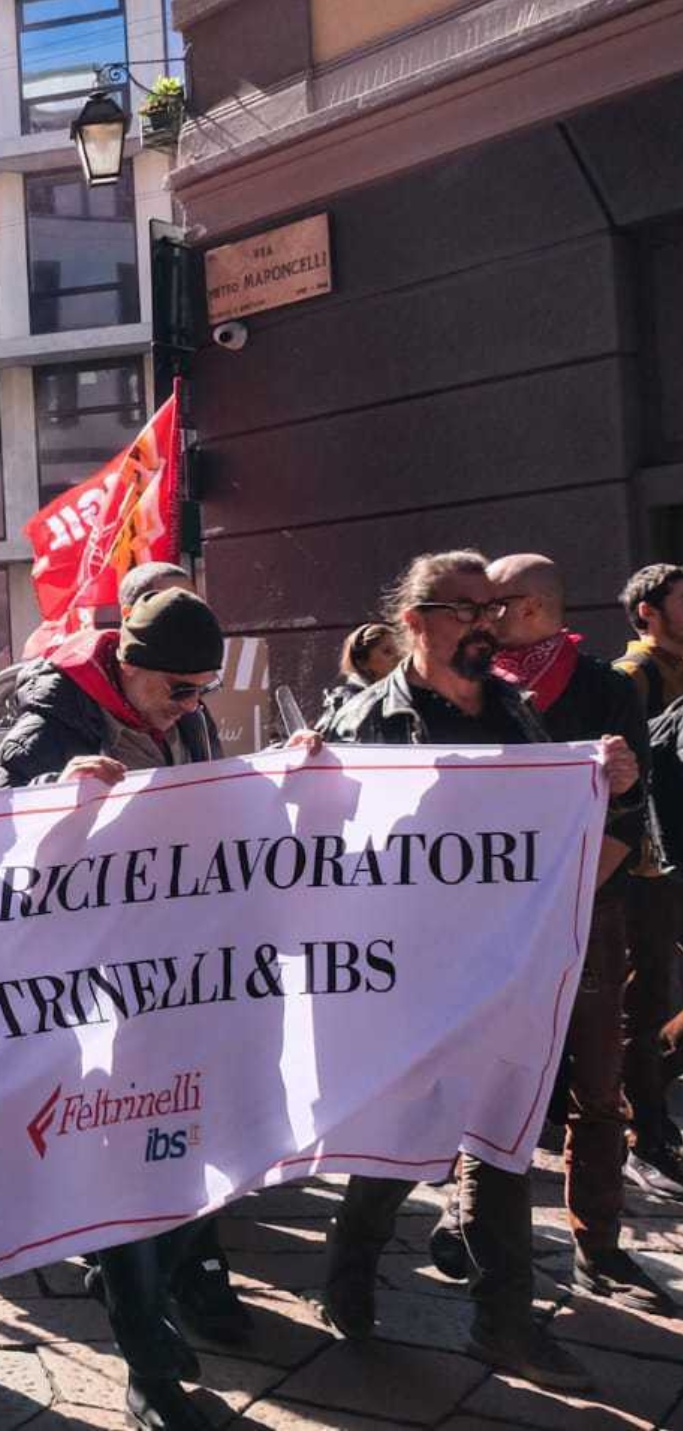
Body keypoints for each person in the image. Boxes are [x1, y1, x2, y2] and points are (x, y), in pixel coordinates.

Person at [317, 549, 636, 1390]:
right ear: (414, 620)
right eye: (466, 610)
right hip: (406, 974)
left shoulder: (517, 713)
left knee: (501, 1144)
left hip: (502, 971)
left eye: (491, 610)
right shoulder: (368, 724)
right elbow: (325, 856)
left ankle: (504, 1325)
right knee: (397, 1140)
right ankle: (348, 1272)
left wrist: (613, 788)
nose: (485, 626)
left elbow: (565, 835)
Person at [0, 591, 236, 1431]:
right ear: (125, 666)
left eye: (205, 688)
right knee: (135, 1166)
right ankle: (146, 1367)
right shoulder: (50, 727)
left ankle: (135, 1286)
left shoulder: (186, 715)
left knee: (188, 1160)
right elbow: (0, 843)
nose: (193, 704)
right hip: (92, 988)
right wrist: (55, 796)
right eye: (178, 687)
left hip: (181, 973)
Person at [471, 555, 670, 1310]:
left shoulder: (605, 689)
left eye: (494, 604)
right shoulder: (477, 688)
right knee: (492, 1075)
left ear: (531, 607)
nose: (481, 619)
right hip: (492, 915)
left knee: (597, 1083)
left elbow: (630, 807)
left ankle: (600, 1245)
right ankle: (477, 1230)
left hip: (591, 909)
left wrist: (563, 899)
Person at [612, 562, 683, 1195]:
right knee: (648, 992)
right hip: (648, 869)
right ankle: (645, 1133)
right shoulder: (631, 678)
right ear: (648, 614)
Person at [315, 622, 401, 729]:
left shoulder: (401, 696)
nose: (398, 657)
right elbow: (323, 735)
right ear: (362, 662)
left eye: (400, 651)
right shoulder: (346, 700)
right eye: (387, 652)